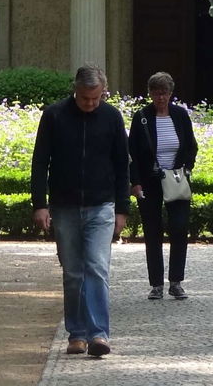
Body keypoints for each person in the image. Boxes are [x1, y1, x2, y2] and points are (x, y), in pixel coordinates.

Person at [30, 65, 129, 358]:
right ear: (76, 90)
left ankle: (99, 333)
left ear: (103, 92)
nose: (90, 104)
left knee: (97, 268)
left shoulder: (111, 116)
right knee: (73, 273)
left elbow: (122, 166)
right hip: (64, 206)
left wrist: (122, 209)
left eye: (96, 98)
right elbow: (40, 162)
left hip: (102, 205)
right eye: (85, 98)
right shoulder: (54, 115)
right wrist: (40, 204)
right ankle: (76, 334)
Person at [128, 71, 199, 300]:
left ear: (171, 93)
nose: (161, 98)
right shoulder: (142, 117)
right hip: (150, 182)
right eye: (157, 93)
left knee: (179, 228)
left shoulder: (179, 115)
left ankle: (176, 281)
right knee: (152, 231)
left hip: (176, 180)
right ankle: (156, 284)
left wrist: (187, 168)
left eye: (165, 93)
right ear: (150, 94)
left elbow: (191, 146)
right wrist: (135, 182)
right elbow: (133, 154)